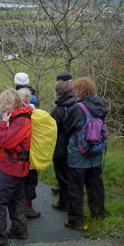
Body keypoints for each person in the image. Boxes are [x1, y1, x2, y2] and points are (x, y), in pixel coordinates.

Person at [0, 89, 32, 246]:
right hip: (16, 165)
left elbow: (5, 140)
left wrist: (2, 123)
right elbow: (5, 140)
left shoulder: (21, 120)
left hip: (13, 167)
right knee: (16, 197)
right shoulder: (19, 117)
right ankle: (19, 229)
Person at [64, 77, 108, 231]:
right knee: (96, 184)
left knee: (76, 187)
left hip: (79, 153)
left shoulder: (77, 108)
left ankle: (75, 220)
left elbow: (68, 128)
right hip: (96, 152)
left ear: (78, 90)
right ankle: (98, 214)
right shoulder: (100, 105)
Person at [50, 80, 76, 211]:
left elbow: (51, 129)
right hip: (75, 146)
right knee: (71, 176)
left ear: (58, 93)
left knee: (62, 177)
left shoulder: (58, 110)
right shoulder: (75, 106)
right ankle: (71, 202)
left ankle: (64, 203)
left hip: (60, 148)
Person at [16, 88, 40, 219]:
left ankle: (20, 206)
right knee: (30, 181)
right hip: (32, 152)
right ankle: (28, 206)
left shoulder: (14, 112)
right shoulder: (35, 112)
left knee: (21, 180)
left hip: (19, 154)